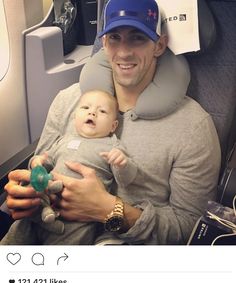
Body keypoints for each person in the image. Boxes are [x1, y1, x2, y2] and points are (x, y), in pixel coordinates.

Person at [3, 0, 221, 245]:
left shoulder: (193, 128)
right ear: (104, 43)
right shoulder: (68, 100)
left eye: (138, 38)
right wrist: (26, 191)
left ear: (159, 45)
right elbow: (42, 165)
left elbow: (190, 227)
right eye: (115, 37)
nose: (124, 51)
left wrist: (108, 209)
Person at [1, 90, 137, 244]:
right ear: (75, 118)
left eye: (102, 111)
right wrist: (37, 162)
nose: (92, 113)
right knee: (18, 233)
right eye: (85, 108)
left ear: (113, 126)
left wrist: (122, 164)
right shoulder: (64, 139)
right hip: (43, 204)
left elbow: (127, 179)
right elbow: (48, 160)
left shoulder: (113, 145)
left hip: (79, 218)